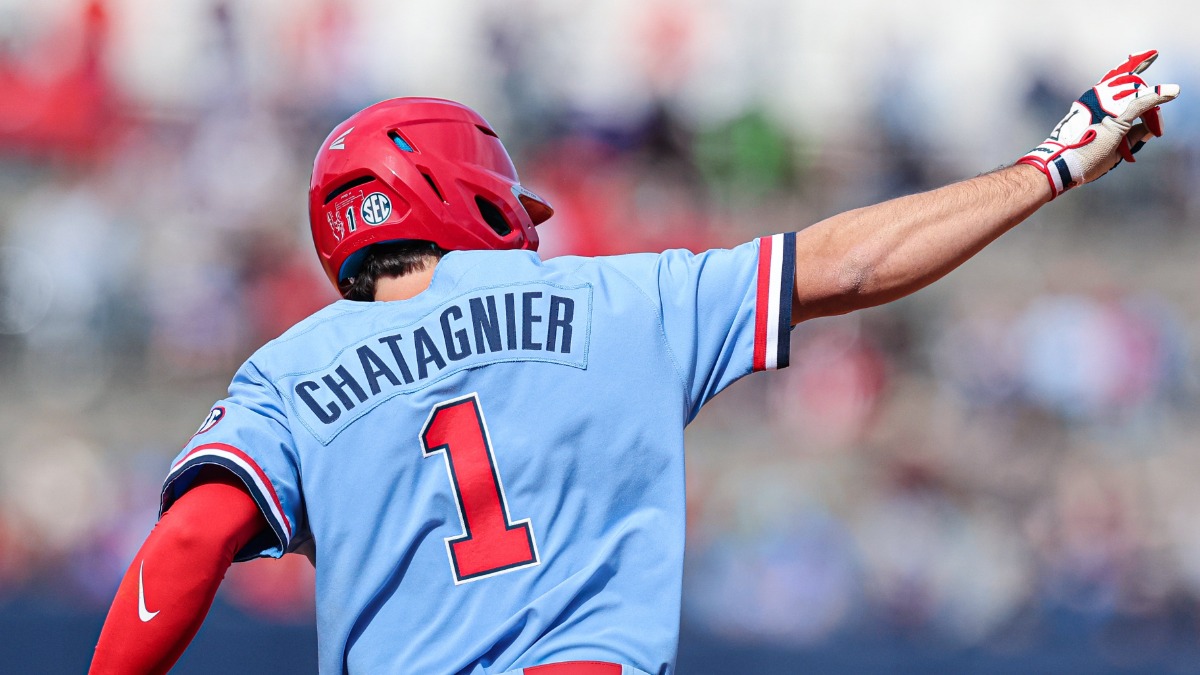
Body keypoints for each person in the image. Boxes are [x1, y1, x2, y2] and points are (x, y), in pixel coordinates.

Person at [89, 51, 1178, 675]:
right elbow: (849, 265)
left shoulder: (289, 370)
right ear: (473, 195)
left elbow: (186, 543)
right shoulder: (614, 298)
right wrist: (1048, 166)